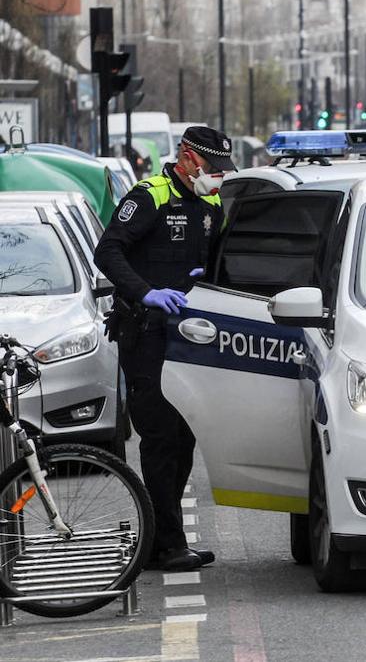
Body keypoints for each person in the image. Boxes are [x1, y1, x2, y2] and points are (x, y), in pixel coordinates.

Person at [94, 126, 234, 569]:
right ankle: (169, 545)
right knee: (159, 438)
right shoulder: (150, 196)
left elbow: (219, 260)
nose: (217, 177)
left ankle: (160, 538)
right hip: (146, 332)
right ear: (188, 158)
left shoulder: (211, 204)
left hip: (189, 336)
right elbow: (108, 252)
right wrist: (146, 291)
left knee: (184, 437)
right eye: (212, 167)